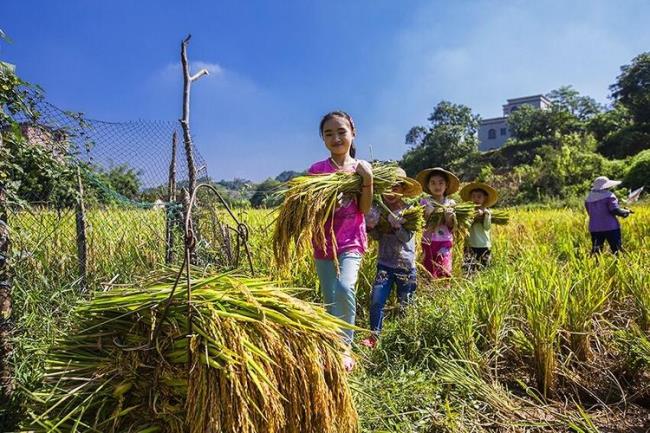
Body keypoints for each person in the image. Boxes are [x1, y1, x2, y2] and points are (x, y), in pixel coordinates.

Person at [308, 111, 373, 371]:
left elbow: (364, 209)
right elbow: (308, 210)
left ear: (352, 132)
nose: (336, 137)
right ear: (322, 139)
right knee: (330, 297)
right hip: (323, 243)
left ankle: (345, 346)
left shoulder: (360, 169)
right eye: (329, 133)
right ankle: (333, 345)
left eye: (341, 131)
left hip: (351, 240)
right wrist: (323, 202)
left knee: (345, 287)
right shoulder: (316, 171)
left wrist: (367, 180)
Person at [362, 168, 422, 348]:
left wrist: (397, 226)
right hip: (384, 264)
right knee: (377, 300)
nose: (391, 192)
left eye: (395, 187)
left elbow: (407, 237)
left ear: (403, 190)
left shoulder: (409, 211)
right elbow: (378, 237)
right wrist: (371, 227)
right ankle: (374, 336)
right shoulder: (378, 211)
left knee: (406, 302)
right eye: (387, 187)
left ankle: (405, 336)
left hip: (406, 265)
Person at [416, 167, 460, 279]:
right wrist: (427, 214)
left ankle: (445, 289)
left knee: (445, 268)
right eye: (433, 183)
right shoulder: (424, 202)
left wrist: (449, 217)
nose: (437, 186)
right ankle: (430, 291)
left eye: (441, 183)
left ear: (446, 186)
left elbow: (452, 227)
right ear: (428, 186)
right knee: (429, 269)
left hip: (445, 241)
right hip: (428, 241)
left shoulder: (450, 203)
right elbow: (421, 224)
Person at [585, 176, 631, 254]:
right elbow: (614, 210)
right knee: (616, 249)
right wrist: (625, 212)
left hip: (595, 228)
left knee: (596, 250)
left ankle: (596, 265)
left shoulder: (588, 198)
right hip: (610, 227)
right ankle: (618, 264)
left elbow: (590, 213)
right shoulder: (609, 195)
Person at [460, 182, 498, 272]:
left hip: (483, 244)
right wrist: (473, 217)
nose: (476, 199)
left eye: (479, 196)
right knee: (469, 270)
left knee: (484, 269)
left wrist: (485, 215)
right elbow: (465, 226)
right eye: (473, 196)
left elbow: (487, 227)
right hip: (470, 244)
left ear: (485, 198)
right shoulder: (467, 212)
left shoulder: (487, 212)